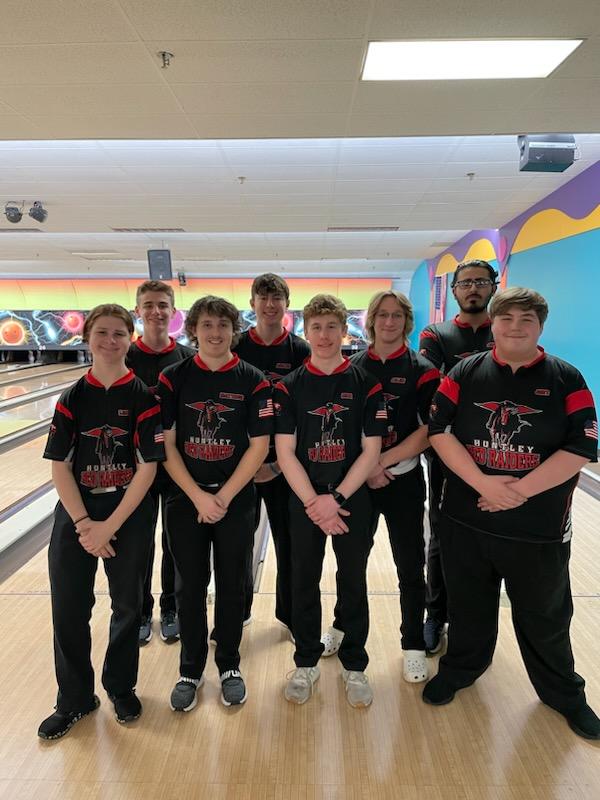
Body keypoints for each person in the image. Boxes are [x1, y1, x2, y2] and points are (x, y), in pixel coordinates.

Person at [423, 287, 600, 740]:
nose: (515, 327)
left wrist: (518, 491)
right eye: (507, 319)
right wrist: (484, 484)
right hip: (468, 520)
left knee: (545, 616)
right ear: (494, 324)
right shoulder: (464, 371)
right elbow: (439, 430)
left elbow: (582, 445)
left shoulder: (568, 378)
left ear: (540, 326)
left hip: (537, 528)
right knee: (469, 608)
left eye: (526, 320)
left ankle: (564, 695)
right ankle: (461, 670)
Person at [38, 304, 164, 740]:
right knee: (69, 607)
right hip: (76, 515)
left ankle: (120, 687)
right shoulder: (71, 398)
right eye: (102, 333)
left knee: (128, 607)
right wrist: (84, 523)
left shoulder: (145, 397)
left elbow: (148, 468)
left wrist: (108, 527)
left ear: (130, 339)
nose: (111, 341)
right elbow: (59, 466)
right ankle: (73, 698)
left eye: (119, 334)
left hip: (127, 514)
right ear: (87, 338)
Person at [157, 296, 272, 710]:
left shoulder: (253, 379)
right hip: (184, 498)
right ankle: (190, 668)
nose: (216, 332)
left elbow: (259, 446)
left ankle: (229, 664)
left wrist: (221, 497)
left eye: (223, 325)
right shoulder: (174, 378)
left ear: (234, 330)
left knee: (231, 583)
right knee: (188, 586)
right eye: (207, 325)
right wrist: (197, 496)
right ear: (194, 330)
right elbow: (167, 445)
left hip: (235, 499)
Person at [274, 294, 386, 707]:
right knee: (303, 580)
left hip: (351, 499)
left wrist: (335, 497)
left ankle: (355, 665)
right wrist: (315, 504)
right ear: (306, 332)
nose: (324, 335)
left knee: (352, 580)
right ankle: (305, 662)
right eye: (316, 327)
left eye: (332, 327)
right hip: (305, 502)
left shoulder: (365, 384)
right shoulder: (287, 388)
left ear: (345, 331)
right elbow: (285, 452)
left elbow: (370, 450)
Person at [345, 291, 439, 683]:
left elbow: (430, 430)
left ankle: (413, 643)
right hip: (359, 483)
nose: (388, 322)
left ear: (407, 320)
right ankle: (343, 628)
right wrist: (366, 469)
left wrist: (380, 462)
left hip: (403, 480)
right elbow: (345, 428)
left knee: (409, 565)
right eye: (381, 315)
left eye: (396, 315)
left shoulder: (423, 369)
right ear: (370, 320)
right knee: (351, 565)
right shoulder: (351, 367)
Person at [419, 258, 498, 654]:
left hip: (497, 454)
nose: (473, 289)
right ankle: (436, 613)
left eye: (480, 282)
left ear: (493, 286)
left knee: (488, 536)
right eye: (465, 283)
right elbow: (435, 390)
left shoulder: (505, 331)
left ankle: (474, 618)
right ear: (453, 291)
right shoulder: (437, 334)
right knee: (443, 531)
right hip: (448, 450)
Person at [234, 273, 310, 636]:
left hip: (285, 466)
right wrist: (247, 466)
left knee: (291, 546)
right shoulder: (235, 347)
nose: (269, 304)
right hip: (243, 464)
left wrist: (279, 463)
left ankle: (292, 616)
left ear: (286, 303)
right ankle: (237, 612)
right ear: (252, 304)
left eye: (276, 297)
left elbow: (310, 411)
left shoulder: (300, 351)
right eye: (262, 297)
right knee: (236, 545)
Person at [126, 280, 195, 646]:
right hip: (133, 467)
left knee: (174, 542)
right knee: (138, 543)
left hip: (172, 465)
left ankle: (170, 607)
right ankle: (140, 611)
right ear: (138, 311)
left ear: (173, 312)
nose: (156, 311)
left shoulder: (185, 358)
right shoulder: (123, 355)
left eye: (163, 305)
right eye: (149, 305)